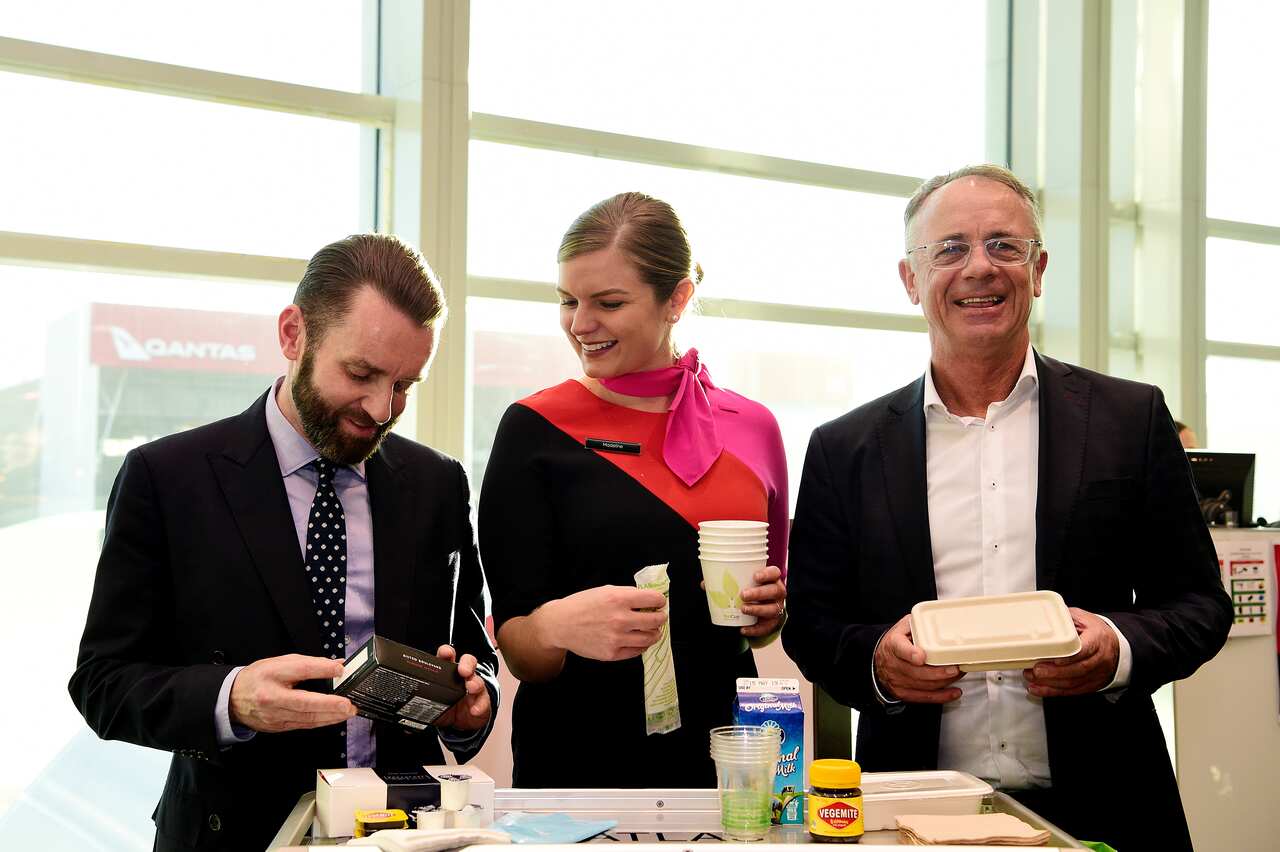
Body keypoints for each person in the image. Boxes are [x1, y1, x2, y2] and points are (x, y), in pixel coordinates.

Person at [782, 165, 1232, 851]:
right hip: (910, 812)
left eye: (1003, 245)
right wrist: (877, 660)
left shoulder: (1129, 419)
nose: (979, 269)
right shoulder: (844, 448)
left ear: (1038, 268)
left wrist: (1117, 649)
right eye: (950, 248)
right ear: (910, 279)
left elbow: (1200, 605)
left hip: (1106, 800)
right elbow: (811, 625)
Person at [69, 234, 499, 851]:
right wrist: (230, 699)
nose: (381, 409)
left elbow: (468, 651)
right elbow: (103, 682)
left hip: (405, 833)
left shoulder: (436, 483)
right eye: (361, 373)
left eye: (405, 384)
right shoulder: (168, 478)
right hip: (230, 833)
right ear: (294, 334)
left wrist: (467, 709)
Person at [479, 192, 789, 787]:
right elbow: (519, 648)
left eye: (609, 303)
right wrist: (555, 627)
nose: (580, 324)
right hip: (576, 765)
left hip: (729, 761)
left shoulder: (755, 429)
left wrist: (768, 615)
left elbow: (767, 617)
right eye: (568, 301)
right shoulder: (534, 429)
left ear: (678, 298)